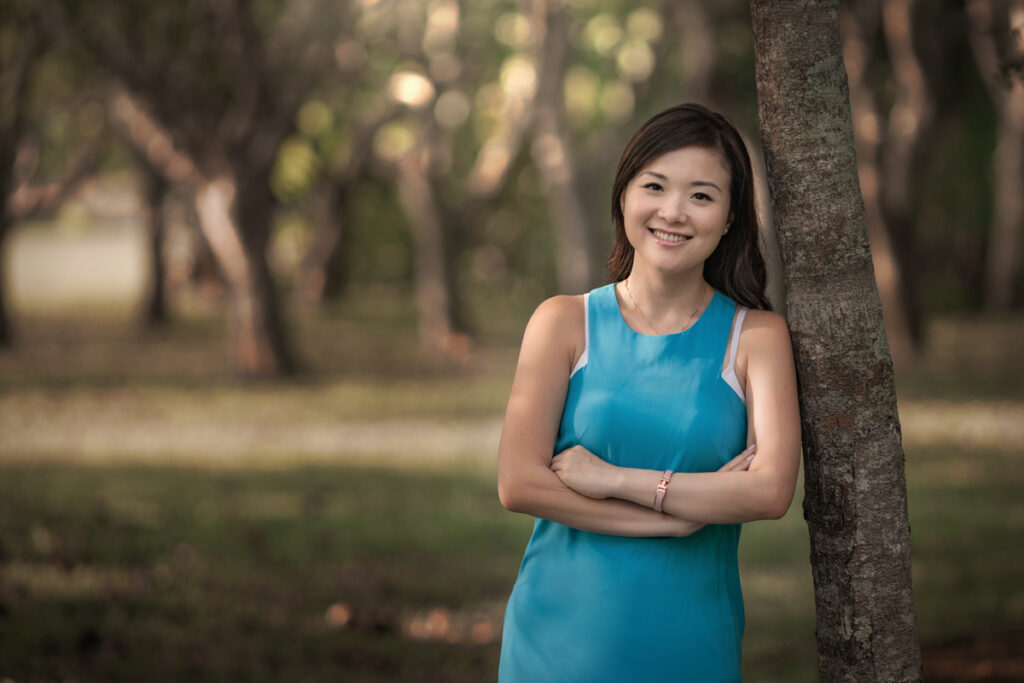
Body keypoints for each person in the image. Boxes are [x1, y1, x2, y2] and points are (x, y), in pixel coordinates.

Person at [495, 103, 801, 682]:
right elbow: (518, 483)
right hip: (554, 644)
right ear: (624, 196)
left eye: (702, 196)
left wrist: (616, 479)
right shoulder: (563, 322)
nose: (673, 212)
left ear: (732, 216)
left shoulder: (756, 338)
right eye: (654, 186)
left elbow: (769, 492)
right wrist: (672, 518)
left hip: (687, 644)